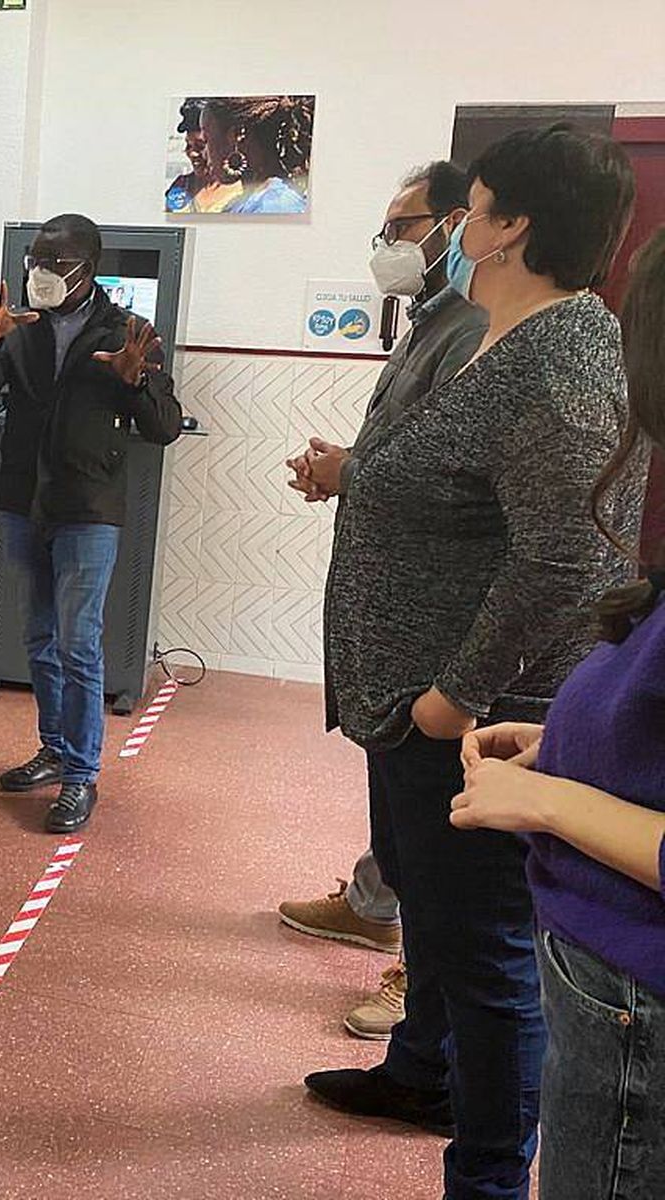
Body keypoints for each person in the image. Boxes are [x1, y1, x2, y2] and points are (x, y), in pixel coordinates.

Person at [306, 125, 638, 1200]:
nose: (454, 227)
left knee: (486, 958)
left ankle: (486, 1176)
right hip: (406, 695)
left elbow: (568, 562)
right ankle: (418, 1075)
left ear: (511, 227)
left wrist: (452, 697)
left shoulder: (562, 360)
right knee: (437, 927)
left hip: (473, 712)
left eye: (471, 206)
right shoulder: (489, 334)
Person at [448, 225, 665, 1200]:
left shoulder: (554, 381)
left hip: (637, 1012)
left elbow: (546, 561)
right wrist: (575, 745)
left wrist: (543, 803)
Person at [277, 162, 488, 1042]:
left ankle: (422, 996)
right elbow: (411, 457)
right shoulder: (433, 321)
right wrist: (351, 472)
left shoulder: (482, 330)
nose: (388, 246)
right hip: (389, 623)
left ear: (465, 224)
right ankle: (376, 906)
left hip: (435, 632)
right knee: (399, 815)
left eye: (401, 227)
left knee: (440, 841)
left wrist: (350, 472)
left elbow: (456, 482)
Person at [0, 214, 182, 834]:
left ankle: (82, 775)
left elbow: (163, 426)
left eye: (55, 263)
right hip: (24, 499)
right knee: (39, 637)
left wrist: (135, 384)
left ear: (86, 267)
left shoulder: (128, 331)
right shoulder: (23, 326)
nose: (42, 274)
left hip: (88, 507)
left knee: (79, 641)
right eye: (36, 260)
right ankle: (54, 750)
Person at [201, 96, 312, 215]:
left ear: (236, 135)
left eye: (206, 139)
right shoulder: (251, 202)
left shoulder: (275, 207)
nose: (204, 153)